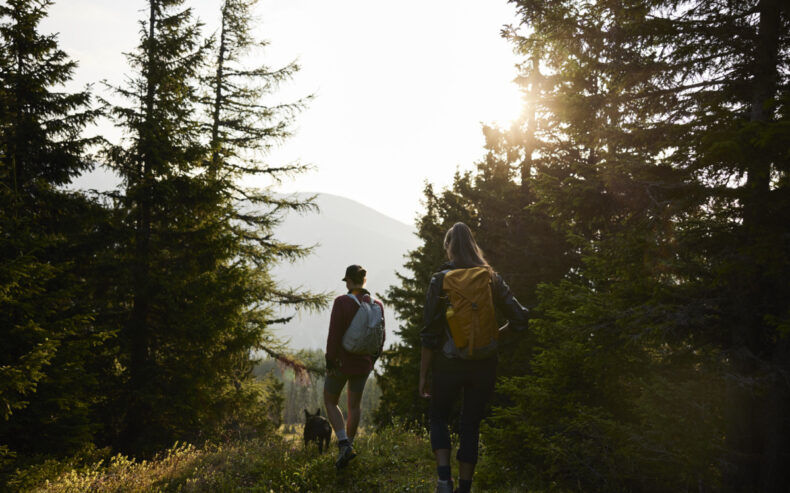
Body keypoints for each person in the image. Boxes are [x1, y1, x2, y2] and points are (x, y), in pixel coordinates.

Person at [419, 222, 529, 493]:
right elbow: (520, 319)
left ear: (449, 248)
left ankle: (444, 481)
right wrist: (495, 336)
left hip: (449, 362)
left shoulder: (440, 280)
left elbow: (429, 334)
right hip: (484, 362)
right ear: (473, 246)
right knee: (470, 423)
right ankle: (465, 488)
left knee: (438, 417)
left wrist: (423, 376)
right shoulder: (490, 277)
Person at [324, 264, 385, 470]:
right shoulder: (377, 304)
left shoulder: (342, 302)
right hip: (363, 363)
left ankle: (342, 443)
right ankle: (349, 445)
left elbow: (334, 334)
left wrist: (330, 361)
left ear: (348, 281)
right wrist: (372, 361)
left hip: (341, 362)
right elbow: (380, 338)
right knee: (354, 406)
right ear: (364, 281)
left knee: (330, 401)